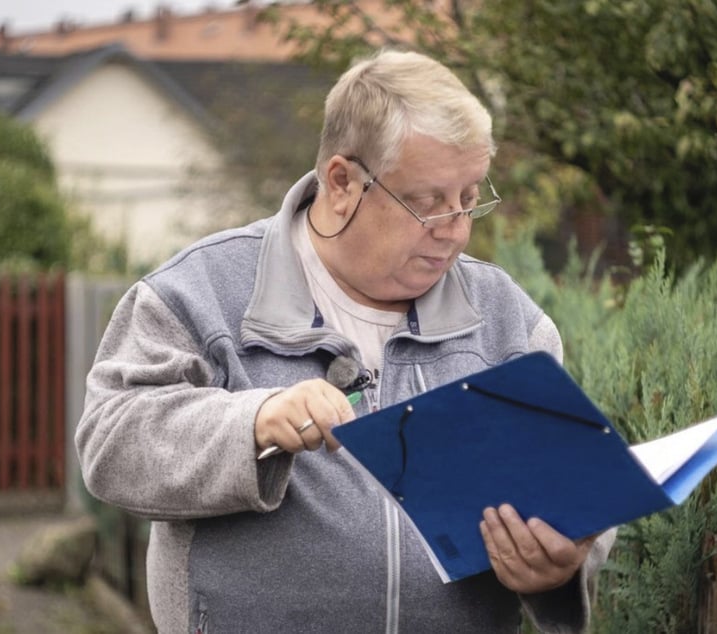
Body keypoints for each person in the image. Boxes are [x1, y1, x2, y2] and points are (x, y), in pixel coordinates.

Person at [76, 48, 616, 633]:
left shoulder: (507, 320)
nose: (457, 230)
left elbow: (573, 487)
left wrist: (564, 563)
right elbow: (112, 441)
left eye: (470, 198)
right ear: (342, 183)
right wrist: (251, 421)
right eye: (430, 202)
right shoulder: (200, 291)